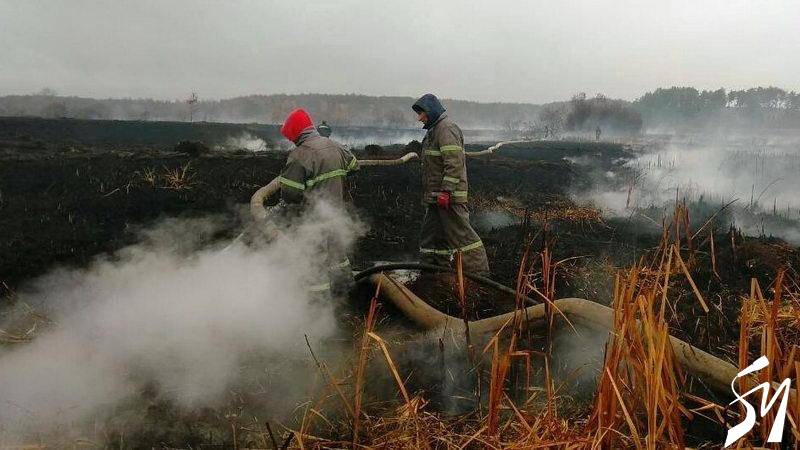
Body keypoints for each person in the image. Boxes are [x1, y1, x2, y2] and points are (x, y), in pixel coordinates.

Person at [278, 109, 358, 297]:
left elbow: (291, 194)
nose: (291, 141)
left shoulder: (300, 155)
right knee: (337, 252)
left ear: (295, 133)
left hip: (313, 219)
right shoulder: (335, 145)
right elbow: (354, 165)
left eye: (290, 137)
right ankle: (346, 292)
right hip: (336, 212)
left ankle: (317, 301)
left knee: (314, 260)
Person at [411, 94, 490, 275]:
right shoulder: (434, 131)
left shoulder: (446, 129)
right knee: (432, 238)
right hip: (436, 197)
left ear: (431, 111)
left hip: (449, 197)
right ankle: (433, 273)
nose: (419, 118)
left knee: (463, 237)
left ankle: (479, 275)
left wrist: (446, 192)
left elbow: (454, 164)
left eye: (421, 113)